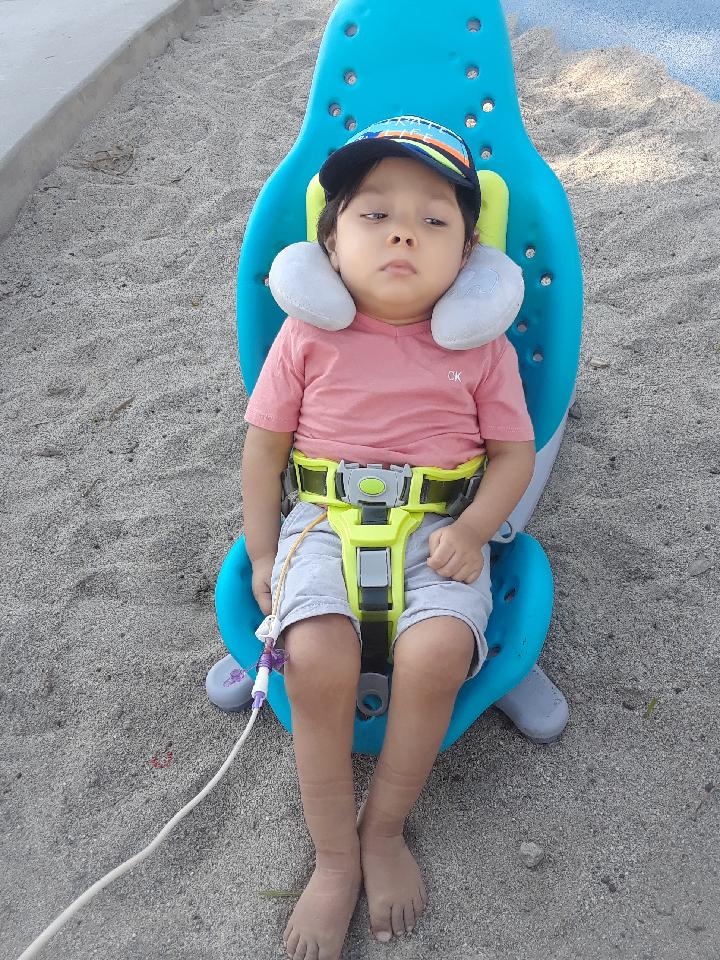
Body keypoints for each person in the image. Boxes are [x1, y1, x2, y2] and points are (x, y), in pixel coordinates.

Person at [241, 116, 536, 960]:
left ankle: (385, 828)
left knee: (439, 654)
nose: (405, 229)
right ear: (330, 245)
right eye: (375, 214)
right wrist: (264, 553)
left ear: (468, 256)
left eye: (434, 220)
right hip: (322, 523)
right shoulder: (308, 337)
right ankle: (334, 857)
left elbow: (513, 454)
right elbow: (263, 450)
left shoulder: (482, 350)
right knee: (317, 657)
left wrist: (478, 528)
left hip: (442, 529)